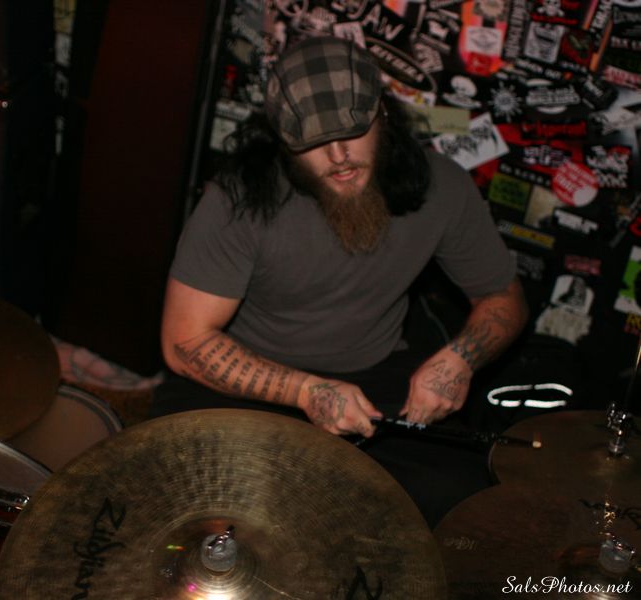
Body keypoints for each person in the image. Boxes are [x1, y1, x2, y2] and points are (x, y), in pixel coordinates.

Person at [151, 36, 528, 525]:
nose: (338, 155)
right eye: (312, 141)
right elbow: (184, 343)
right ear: (281, 140)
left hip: (373, 379)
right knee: (198, 502)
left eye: (353, 129)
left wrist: (460, 358)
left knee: (462, 504)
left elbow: (503, 296)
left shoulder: (443, 186)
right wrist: (306, 391)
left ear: (383, 114)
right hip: (250, 379)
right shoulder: (237, 199)